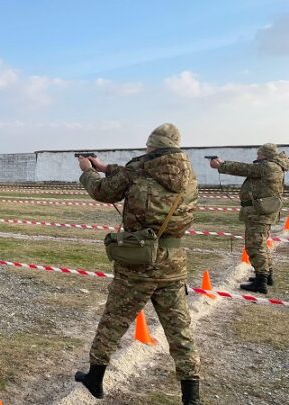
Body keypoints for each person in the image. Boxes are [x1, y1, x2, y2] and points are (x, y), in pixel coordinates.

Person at [74, 123, 202, 404]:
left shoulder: (138, 169)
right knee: (180, 330)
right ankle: (191, 395)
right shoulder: (190, 176)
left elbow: (105, 191)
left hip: (138, 262)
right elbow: (135, 175)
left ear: (152, 146)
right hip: (173, 262)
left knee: (113, 322)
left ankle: (95, 378)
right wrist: (107, 167)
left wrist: (89, 172)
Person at [209, 144, 288, 293]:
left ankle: (261, 282)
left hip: (259, 213)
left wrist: (221, 165)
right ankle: (265, 275)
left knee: (255, 245)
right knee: (261, 244)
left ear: (265, 155)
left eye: (259, 154)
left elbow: (243, 168)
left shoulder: (268, 166)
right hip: (262, 211)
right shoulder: (274, 166)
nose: (257, 157)